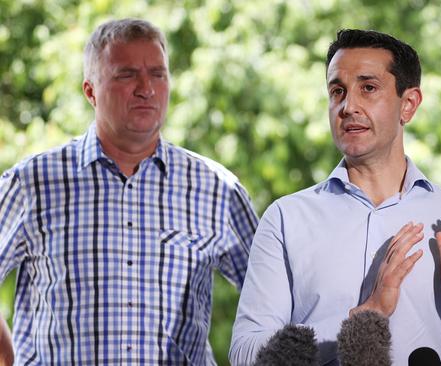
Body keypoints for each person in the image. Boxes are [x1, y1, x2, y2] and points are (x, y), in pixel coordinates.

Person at [229, 29, 441, 366]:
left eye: (368, 88)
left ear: (408, 105)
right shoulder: (286, 218)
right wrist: (363, 317)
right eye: (337, 91)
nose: (348, 107)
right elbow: (246, 354)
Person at [0, 18, 258, 364]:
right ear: (90, 91)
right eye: (126, 74)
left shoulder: (216, 189)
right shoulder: (33, 184)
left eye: (157, 74)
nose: (146, 88)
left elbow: (272, 304)